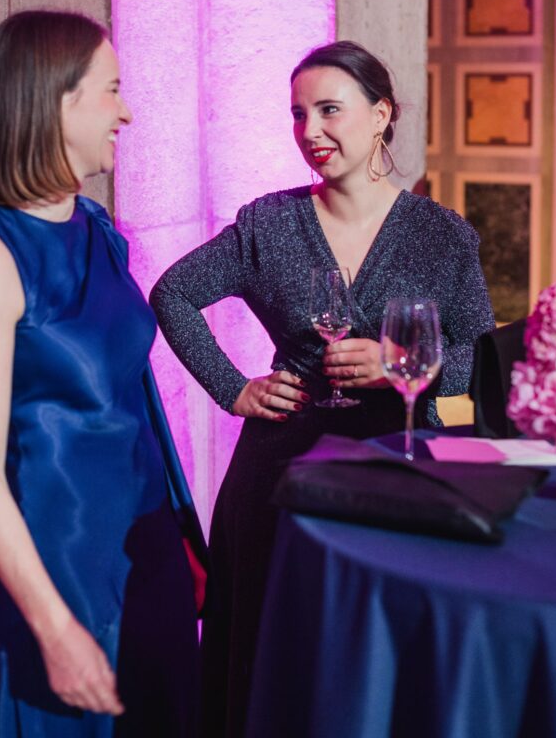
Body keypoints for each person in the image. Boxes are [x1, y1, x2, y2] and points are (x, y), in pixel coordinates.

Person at [150, 40, 495, 738]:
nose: (310, 130)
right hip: (278, 478)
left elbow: (481, 359)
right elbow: (172, 293)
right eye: (298, 113)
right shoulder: (268, 224)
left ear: (381, 114)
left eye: (329, 110)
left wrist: (407, 363)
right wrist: (232, 389)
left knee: (367, 669)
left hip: (395, 471)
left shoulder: (442, 236)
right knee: (270, 661)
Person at [0, 10, 204, 737]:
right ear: (54, 99)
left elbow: (134, 400)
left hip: (147, 546)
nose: (126, 111)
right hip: (61, 568)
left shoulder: (95, 226)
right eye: (110, 89)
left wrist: (179, 536)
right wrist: (52, 629)